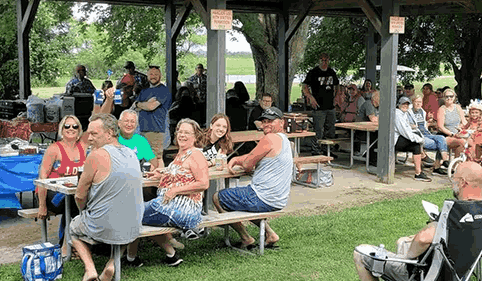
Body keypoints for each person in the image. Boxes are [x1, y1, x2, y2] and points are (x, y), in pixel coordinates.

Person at [348, 161, 482, 281]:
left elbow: (423, 239)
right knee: (403, 241)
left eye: (455, 178)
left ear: (464, 182)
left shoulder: (456, 212)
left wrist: (406, 259)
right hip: (455, 279)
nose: (452, 182)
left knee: (360, 253)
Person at [69, 113, 144, 281]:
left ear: (110, 133)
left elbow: (79, 195)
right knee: (126, 225)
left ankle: (90, 270)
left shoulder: (96, 156)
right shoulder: (131, 153)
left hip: (104, 225)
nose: (90, 138)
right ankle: (111, 263)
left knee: (73, 227)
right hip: (134, 225)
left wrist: (83, 211)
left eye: (94, 134)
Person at [126, 118, 210, 268]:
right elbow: (181, 174)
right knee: (141, 215)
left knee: (132, 213)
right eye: (180, 131)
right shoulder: (181, 154)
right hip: (169, 206)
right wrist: (162, 174)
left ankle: (129, 258)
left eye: (187, 133)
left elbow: (203, 183)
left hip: (184, 209)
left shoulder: (196, 154)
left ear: (196, 136)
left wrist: (175, 190)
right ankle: (169, 255)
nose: (182, 135)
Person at [213, 106, 292, 250]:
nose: (266, 124)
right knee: (242, 198)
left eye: (271, 121)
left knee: (218, 197)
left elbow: (248, 164)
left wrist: (238, 160)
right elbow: (252, 156)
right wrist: (237, 159)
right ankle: (270, 234)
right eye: (264, 121)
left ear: (282, 122)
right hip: (279, 199)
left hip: (262, 197)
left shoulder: (270, 138)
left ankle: (246, 237)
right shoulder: (284, 139)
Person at [36, 114, 88, 230]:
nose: (71, 129)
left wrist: (105, 99)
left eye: (75, 126)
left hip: (73, 192)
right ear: (61, 129)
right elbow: (42, 176)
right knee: (72, 203)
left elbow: (97, 117)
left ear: (79, 130)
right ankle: (67, 243)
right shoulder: (54, 149)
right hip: (52, 193)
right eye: (67, 126)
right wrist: (42, 205)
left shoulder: (83, 145)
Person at [302, 52, 339, 153]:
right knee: (318, 130)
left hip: (330, 106)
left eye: (326, 60)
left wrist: (336, 98)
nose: (324, 62)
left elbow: (337, 86)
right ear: (319, 61)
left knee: (330, 130)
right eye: (322, 60)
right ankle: (316, 150)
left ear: (329, 61)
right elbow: (304, 86)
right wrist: (310, 97)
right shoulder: (313, 72)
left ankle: (327, 150)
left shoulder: (331, 72)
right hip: (318, 107)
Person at [134, 65, 172, 161]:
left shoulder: (163, 90)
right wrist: (141, 104)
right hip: (141, 130)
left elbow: (151, 107)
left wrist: (142, 104)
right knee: (142, 160)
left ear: (160, 76)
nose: (153, 76)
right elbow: (135, 107)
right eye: (151, 74)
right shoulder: (144, 91)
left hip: (156, 131)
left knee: (155, 160)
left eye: (156, 74)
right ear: (147, 76)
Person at [410, 94, 449, 176]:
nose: (418, 104)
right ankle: (436, 167)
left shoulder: (422, 112)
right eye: (416, 102)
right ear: (412, 102)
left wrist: (428, 123)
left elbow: (423, 125)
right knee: (439, 144)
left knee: (441, 138)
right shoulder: (409, 112)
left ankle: (445, 161)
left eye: (420, 102)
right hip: (419, 135)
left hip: (426, 133)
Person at [395, 96, 431, 181]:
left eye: (407, 104)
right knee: (416, 143)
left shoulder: (404, 113)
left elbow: (409, 129)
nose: (405, 106)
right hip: (394, 140)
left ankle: (418, 173)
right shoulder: (397, 114)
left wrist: (418, 139)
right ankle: (423, 159)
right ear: (399, 105)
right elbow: (405, 132)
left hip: (401, 138)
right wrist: (418, 139)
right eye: (403, 104)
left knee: (416, 145)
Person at [461, 100, 482, 175]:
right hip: (478, 141)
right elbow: (465, 127)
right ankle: (477, 173)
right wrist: (461, 130)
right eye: (472, 112)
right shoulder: (470, 120)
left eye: (476, 112)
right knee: (476, 158)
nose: (474, 114)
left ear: (480, 113)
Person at [436, 88, 467, 159]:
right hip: (446, 135)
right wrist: (452, 134)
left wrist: (465, 127)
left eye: (451, 96)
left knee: (474, 140)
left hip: (458, 133)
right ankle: (456, 163)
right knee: (462, 142)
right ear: (443, 98)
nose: (449, 98)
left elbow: (464, 121)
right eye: (447, 96)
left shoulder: (458, 107)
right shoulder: (442, 109)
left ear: (454, 97)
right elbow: (440, 127)